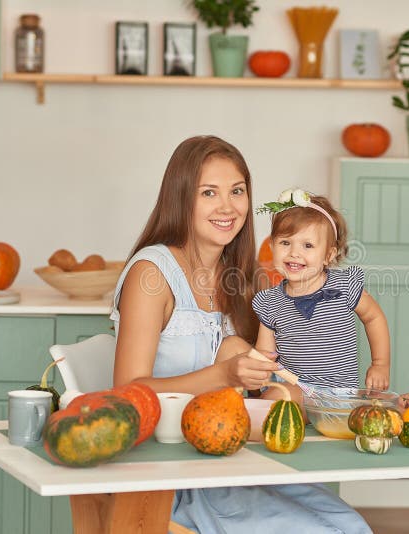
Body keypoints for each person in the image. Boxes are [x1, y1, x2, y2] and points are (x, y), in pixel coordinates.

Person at [110, 135, 373, 533]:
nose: (227, 207)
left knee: (351, 526)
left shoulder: (244, 277)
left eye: (237, 191)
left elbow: (280, 375)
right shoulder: (152, 274)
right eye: (209, 193)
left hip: (237, 463)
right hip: (171, 475)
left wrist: (369, 397)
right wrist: (225, 375)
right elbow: (127, 393)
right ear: (181, 197)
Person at [250, 189, 391, 394]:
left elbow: (374, 318)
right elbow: (265, 353)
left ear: (328, 255)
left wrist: (380, 364)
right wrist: (257, 375)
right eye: (285, 243)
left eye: (307, 245)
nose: (294, 253)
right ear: (272, 246)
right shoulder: (270, 302)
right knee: (276, 397)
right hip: (299, 389)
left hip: (340, 394)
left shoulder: (344, 286)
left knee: (382, 410)